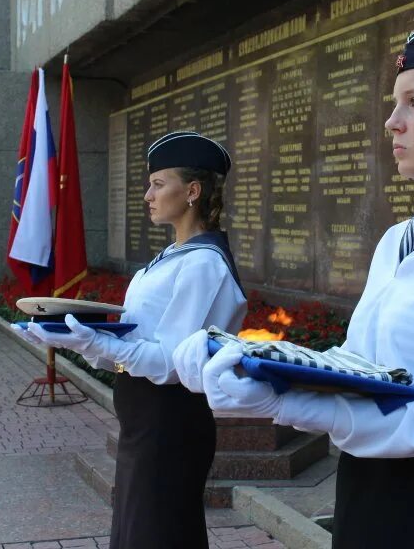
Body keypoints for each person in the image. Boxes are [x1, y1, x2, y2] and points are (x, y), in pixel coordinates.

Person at [173, 21, 414, 548]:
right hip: (366, 488)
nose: (392, 123)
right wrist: (267, 370)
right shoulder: (399, 240)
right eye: (394, 104)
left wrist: (283, 405)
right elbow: (365, 369)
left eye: (413, 102)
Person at [14, 131, 247, 549]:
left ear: (192, 191)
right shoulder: (171, 258)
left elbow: (171, 364)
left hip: (169, 419)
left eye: (159, 184)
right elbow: (137, 338)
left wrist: (93, 343)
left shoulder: (202, 265)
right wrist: (77, 338)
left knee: (156, 535)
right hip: (144, 417)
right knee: (136, 532)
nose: (147, 195)